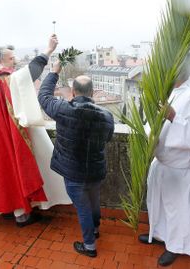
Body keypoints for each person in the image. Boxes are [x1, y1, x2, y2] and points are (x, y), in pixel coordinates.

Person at [0, 34, 71, 227]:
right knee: (16, 168)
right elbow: (29, 74)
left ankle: (12, 209)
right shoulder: (4, 79)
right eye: (11, 58)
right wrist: (49, 51)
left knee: (5, 171)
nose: (15, 61)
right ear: (0, 61)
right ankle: (21, 214)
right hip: (9, 134)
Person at [139, 56, 190, 266]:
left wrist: (174, 118)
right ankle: (159, 235)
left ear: (187, 67)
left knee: (178, 211)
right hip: (161, 164)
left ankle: (176, 246)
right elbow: (155, 123)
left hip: (180, 169)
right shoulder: (169, 91)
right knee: (159, 204)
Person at [38, 61, 115, 257]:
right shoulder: (106, 116)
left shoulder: (63, 109)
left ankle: (89, 246)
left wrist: (54, 72)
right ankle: (95, 230)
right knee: (94, 203)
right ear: (92, 93)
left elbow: (44, 97)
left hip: (73, 173)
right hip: (95, 171)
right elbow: (107, 138)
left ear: (73, 92)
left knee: (83, 209)